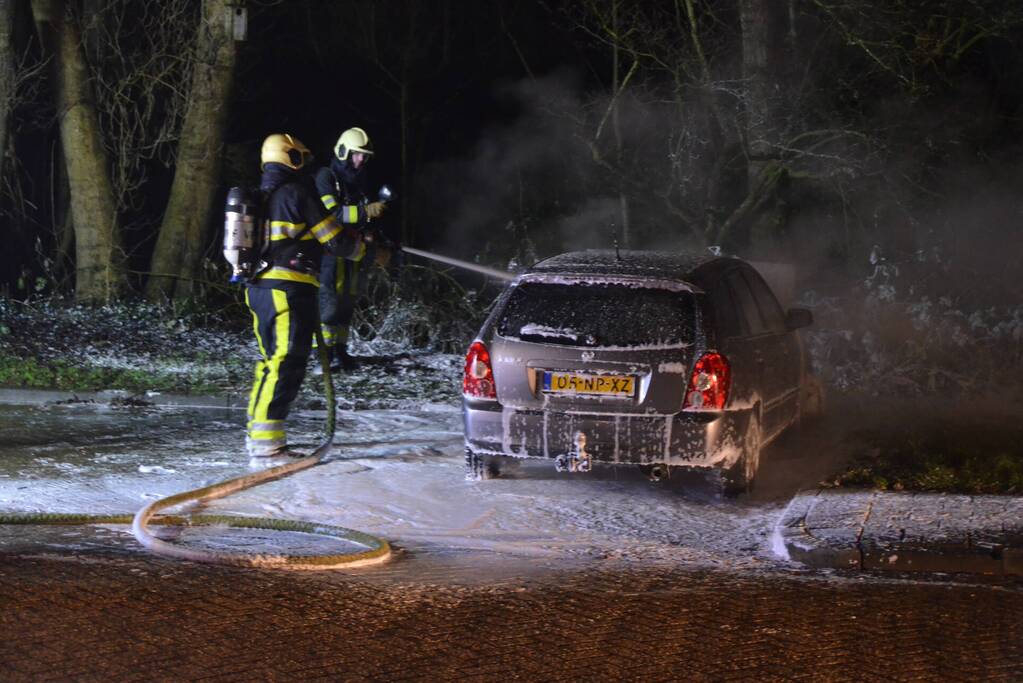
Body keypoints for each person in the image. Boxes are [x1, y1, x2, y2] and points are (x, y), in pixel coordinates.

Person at [244, 133, 369, 457]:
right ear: (292, 157)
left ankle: (258, 432)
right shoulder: (298, 192)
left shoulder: (261, 196)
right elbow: (334, 239)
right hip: (287, 288)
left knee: (271, 360)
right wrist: (368, 253)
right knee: (288, 360)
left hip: (259, 289)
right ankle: (267, 442)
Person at [314, 127, 388, 371]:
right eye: (357, 154)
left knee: (347, 301)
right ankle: (323, 356)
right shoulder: (326, 178)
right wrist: (366, 211)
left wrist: (372, 234)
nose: (361, 160)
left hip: (353, 251)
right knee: (330, 303)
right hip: (330, 253)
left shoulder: (359, 181)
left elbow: (362, 219)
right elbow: (332, 213)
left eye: (364, 156)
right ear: (344, 151)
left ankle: (340, 351)